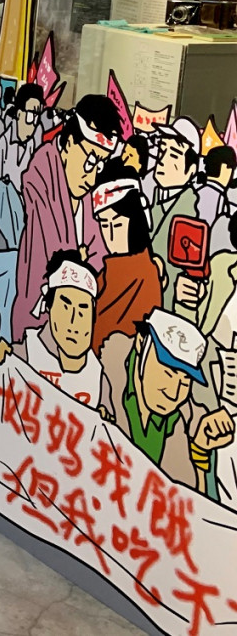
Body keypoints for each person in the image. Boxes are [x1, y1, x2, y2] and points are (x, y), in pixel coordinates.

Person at [11, 95, 121, 342]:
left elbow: (98, 260)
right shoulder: (40, 184)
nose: (92, 177)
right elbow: (48, 264)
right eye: (90, 160)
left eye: (100, 165)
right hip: (37, 331)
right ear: (69, 142)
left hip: (75, 334)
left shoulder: (87, 201)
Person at [99, 309, 235, 492]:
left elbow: (189, 507)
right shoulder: (102, 378)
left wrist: (199, 451)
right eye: (168, 371)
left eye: (185, 380)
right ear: (141, 343)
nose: (174, 392)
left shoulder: (182, 419)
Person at [0, 250, 103, 408]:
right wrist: (5, 362)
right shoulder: (27, 352)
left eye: (83, 310)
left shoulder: (97, 374)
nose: (73, 321)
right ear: (49, 307)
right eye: (65, 307)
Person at [91, 174, 165, 355]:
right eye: (104, 225)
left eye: (117, 225)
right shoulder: (105, 274)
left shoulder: (145, 273)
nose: (110, 236)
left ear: (136, 223)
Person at [146, 118, 202, 305]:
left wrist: (189, 288)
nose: (162, 160)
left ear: (191, 171)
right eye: (162, 151)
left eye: (174, 155)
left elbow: (190, 275)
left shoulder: (189, 216)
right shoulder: (152, 201)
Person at [0, 83, 44, 190]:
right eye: (30, 115)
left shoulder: (35, 146)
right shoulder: (4, 143)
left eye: (36, 116)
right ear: (19, 113)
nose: (34, 122)